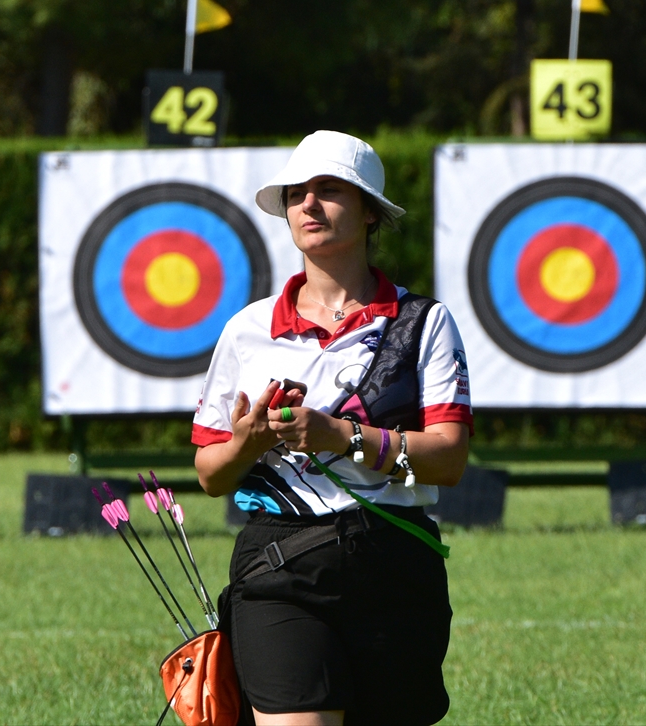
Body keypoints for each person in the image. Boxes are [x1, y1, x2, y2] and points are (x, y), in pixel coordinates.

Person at [193, 131, 473, 726]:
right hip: (280, 566)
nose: (308, 206)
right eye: (297, 194)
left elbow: (448, 459)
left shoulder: (425, 323)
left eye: (329, 191)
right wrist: (249, 442)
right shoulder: (249, 329)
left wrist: (339, 437)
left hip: (394, 563)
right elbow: (211, 474)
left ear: (371, 212)